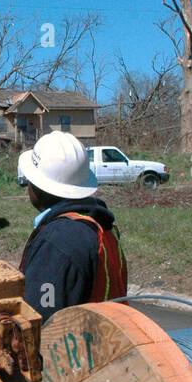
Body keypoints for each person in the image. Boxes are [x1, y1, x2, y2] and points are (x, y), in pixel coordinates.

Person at [17, 131, 127, 323]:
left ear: (38, 186)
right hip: (108, 345)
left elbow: (40, 315)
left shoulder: (58, 240)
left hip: (76, 350)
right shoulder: (101, 225)